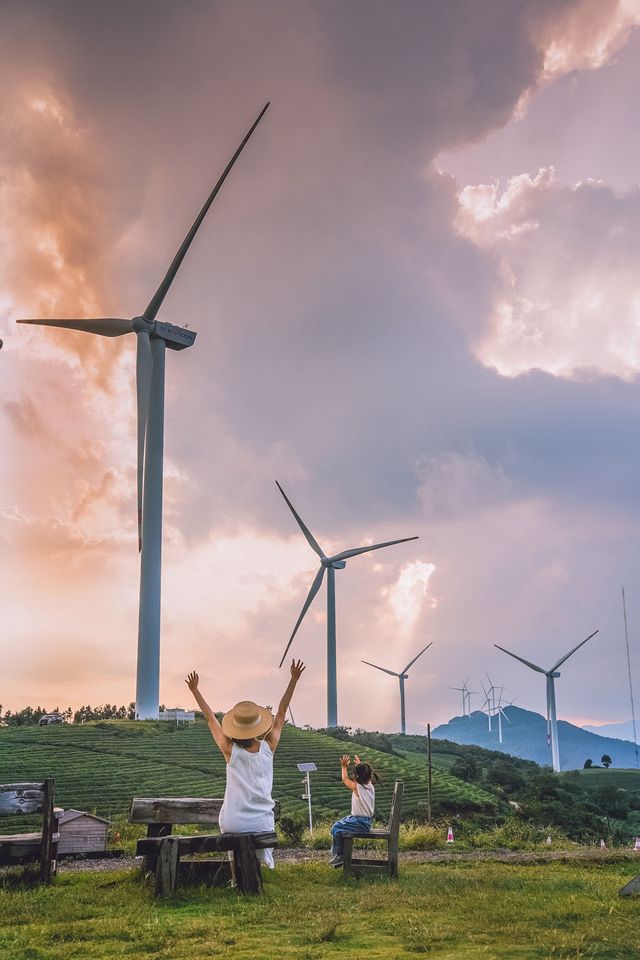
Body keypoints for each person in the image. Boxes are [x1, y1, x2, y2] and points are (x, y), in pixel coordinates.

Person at [185, 659, 305, 872]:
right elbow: (282, 712)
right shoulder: (269, 747)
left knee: (231, 826)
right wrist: (293, 680)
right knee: (251, 832)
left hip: (235, 823)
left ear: (235, 728)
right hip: (262, 824)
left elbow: (211, 719)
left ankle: (234, 877)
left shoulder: (230, 751)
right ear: (257, 727)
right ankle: (253, 872)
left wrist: (195, 691)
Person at [329, 754, 381, 867]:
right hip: (365, 821)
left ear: (357, 777)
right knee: (340, 825)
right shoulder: (370, 786)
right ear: (369, 776)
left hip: (359, 822)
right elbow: (362, 774)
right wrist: (358, 765)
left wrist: (343, 767)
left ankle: (340, 855)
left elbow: (345, 779)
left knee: (336, 827)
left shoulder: (357, 787)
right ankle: (341, 855)